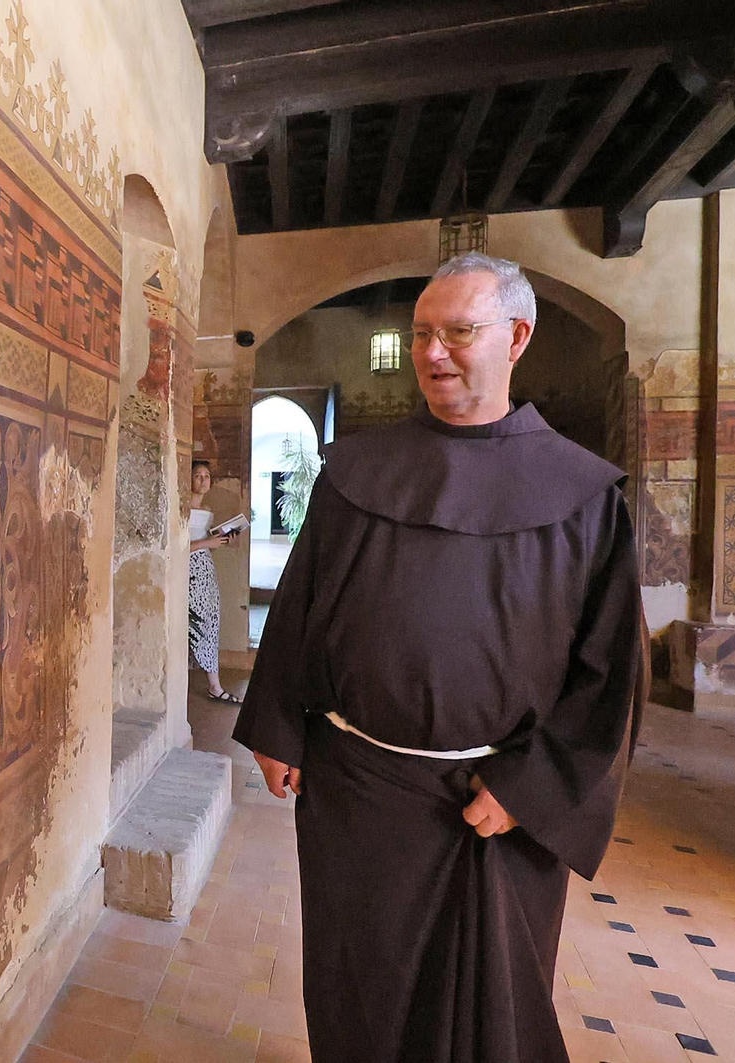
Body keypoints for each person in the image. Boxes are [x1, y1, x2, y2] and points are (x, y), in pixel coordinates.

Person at [233, 252, 647, 1063]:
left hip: (492, 805)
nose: (432, 353)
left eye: (458, 332)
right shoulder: (355, 471)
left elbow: (610, 676)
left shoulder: (584, 495)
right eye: (422, 334)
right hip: (360, 791)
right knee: (360, 989)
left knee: (483, 1016)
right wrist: (277, 724)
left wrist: (530, 787)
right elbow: (302, 599)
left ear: (516, 336)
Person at [188, 460, 242, 702]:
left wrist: (219, 540)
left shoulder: (207, 507)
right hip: (187, 570)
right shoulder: (181, 508)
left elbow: (205, 542)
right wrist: (206, 544)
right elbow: (175, 547)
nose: (203, 480)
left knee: (211, 620)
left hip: (205, 569)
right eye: (197, 476)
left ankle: (214, 685)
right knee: (189, 624)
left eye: (206, 476)